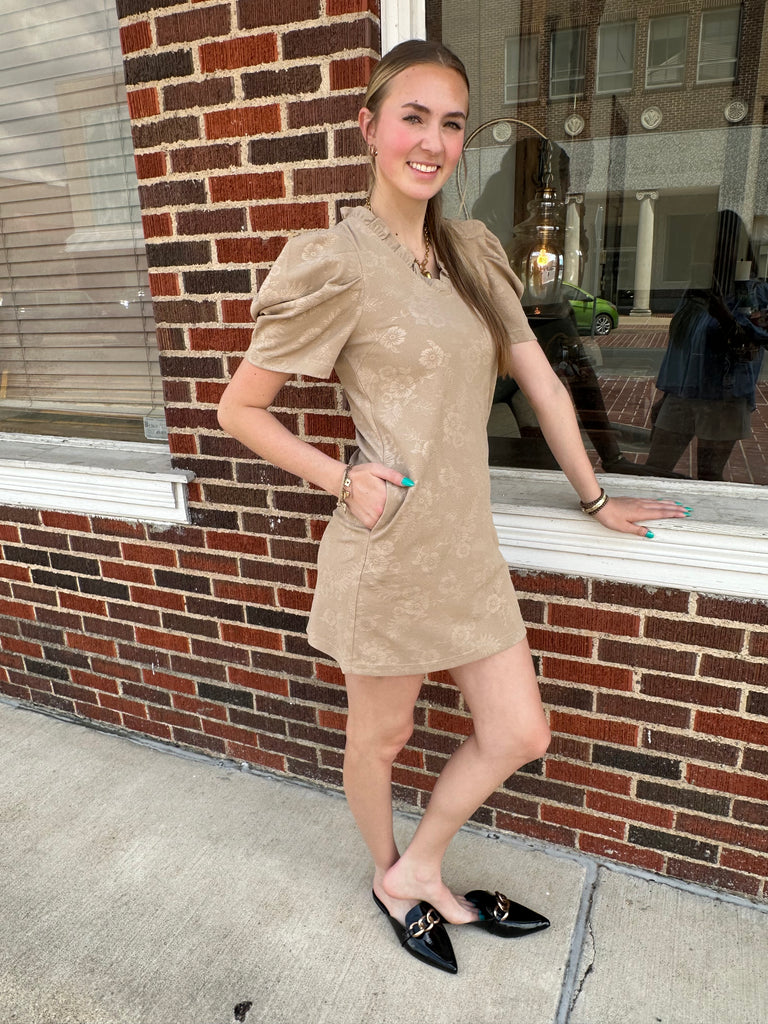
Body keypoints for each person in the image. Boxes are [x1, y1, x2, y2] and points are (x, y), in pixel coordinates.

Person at [217, 39, 689, 975]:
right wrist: (340, 477)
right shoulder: (336, 260)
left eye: (451, 123)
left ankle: (418, 868)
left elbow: (541, 383)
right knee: (382, 738)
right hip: (388, 549)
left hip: (466, 550)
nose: (432, 142)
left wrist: (595, 496)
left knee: (520, 731)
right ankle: (391, 875)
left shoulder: (472, 250)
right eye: (413, 117)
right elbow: (240, 409)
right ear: (369, 128)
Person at [645, 209, 768, 480]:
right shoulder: (697, 289)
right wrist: (666, 396)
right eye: (703, 245)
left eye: (718, 245)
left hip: (723, 399)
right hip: (683, 395)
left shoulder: (753, 293)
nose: (710, 253)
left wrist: (725, 317)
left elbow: (753, 347)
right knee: (653, 471)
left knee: (709, 477)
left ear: (736, 249)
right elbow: (680, 349)